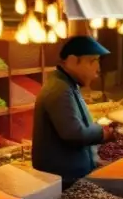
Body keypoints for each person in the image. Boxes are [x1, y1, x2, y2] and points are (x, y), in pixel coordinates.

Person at [32, 35, 116, 187]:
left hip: (70, 175)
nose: (98, 68)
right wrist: (102, 133)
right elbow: (74, 133)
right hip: (63, 180)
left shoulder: (68, 86)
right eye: (92, 61)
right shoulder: (59, 90)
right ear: (72, 60)